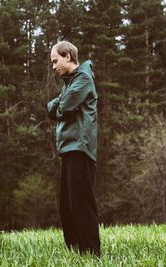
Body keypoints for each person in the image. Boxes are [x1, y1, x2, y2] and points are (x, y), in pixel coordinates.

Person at [47, 41, 101, 257]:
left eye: (55, 61)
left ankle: (91, 254)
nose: (53, 66)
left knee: (81, 204)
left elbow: (63, 107)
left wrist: (58, 104)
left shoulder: (84, 78)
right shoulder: (69, 83)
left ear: (68, 56)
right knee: (67, 206)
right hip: (69, 148)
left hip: (80, 148)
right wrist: (58, 104)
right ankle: (76, 253)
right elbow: (54, 108)